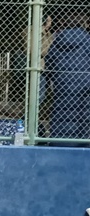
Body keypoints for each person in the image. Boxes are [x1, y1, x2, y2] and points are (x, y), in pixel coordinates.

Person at [42, 12, 90, 145]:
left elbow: (49, 63)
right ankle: (84, 145)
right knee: (84, 117)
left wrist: (52, 77)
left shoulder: (56, 41)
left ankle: (60, 143)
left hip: (62, 84)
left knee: (62, 113)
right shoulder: (87, 40)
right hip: (85, 85)